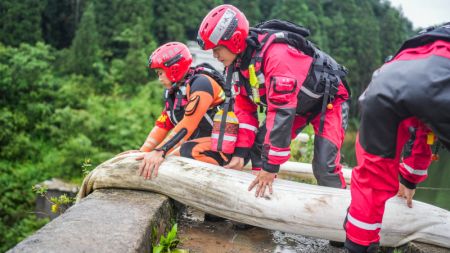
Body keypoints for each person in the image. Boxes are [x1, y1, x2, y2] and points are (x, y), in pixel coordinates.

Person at [197, 5, 351, 197]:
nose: (215, 56)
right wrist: (240, 153)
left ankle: (340, 214)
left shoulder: (277, 55)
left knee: (324, 166)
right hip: (299, 107)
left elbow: (281, 113)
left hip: (329, 102)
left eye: (217, 49)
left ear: (235, 40)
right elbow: (245, 111)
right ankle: (261, 200)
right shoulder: (236, 66)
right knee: (259, 146)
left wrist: (271, 167)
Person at [344, 23, 450, 253]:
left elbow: (422, 133)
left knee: (371, 178)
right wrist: (410, 180)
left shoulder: (422, 44)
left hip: (387, 79)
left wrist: (408, 180)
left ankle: (359, 247)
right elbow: (424, 135)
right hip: (443, 72)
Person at [136, 42, 229, 179]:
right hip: (205, 142)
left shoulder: (201, 83)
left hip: (226, 144)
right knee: (172, 152)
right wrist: (142, 152)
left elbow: (188, 125)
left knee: (183, 151)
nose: (159, 78)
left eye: (160, 73)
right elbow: (163, 124)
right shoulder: (174, 92)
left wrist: (160, 151)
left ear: (174, 68)